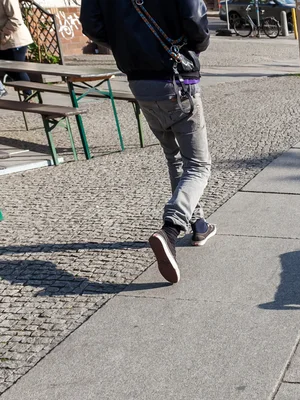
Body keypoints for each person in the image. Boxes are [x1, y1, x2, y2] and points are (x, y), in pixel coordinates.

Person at [81, 0, 216, 284]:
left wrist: (128, 44)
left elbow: (92, 26)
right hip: (176, 78)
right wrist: (196, 43)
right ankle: (171, 229)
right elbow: (194, 19)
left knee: (175, 157)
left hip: (139, 81)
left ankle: (198, 223)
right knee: (199, 164)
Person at [0, 0, 33, 85]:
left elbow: (16, 19)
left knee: (18, 72)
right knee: (8, 69)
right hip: (4, 42)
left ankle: (30, 96)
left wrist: (3, 34)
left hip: (15, 40)